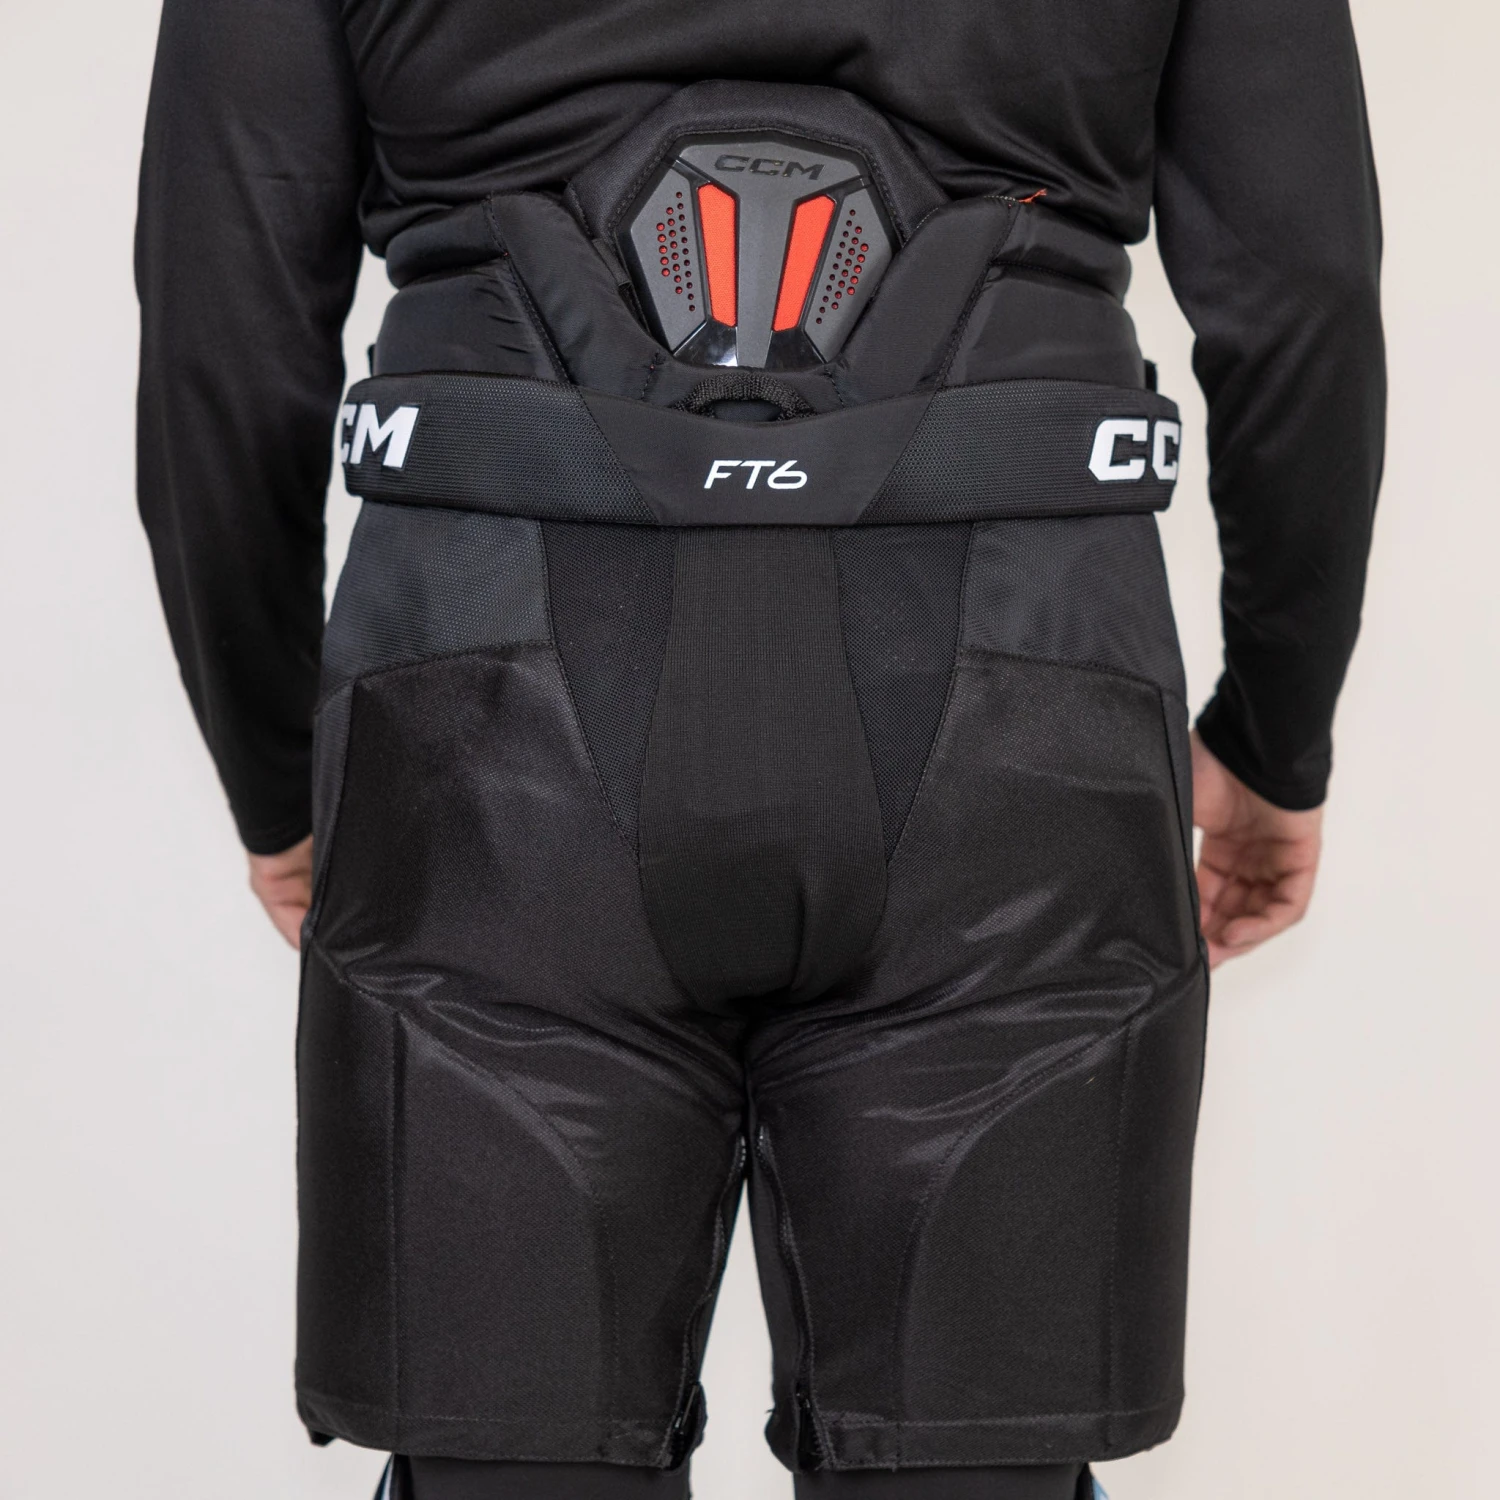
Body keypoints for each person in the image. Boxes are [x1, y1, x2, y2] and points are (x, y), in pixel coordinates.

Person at [135, 2, 1383, 1498]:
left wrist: (281, 778)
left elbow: (223, 333)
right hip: (1011, 695)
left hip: (492, 716)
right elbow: (1302, 292)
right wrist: (1275, 739)